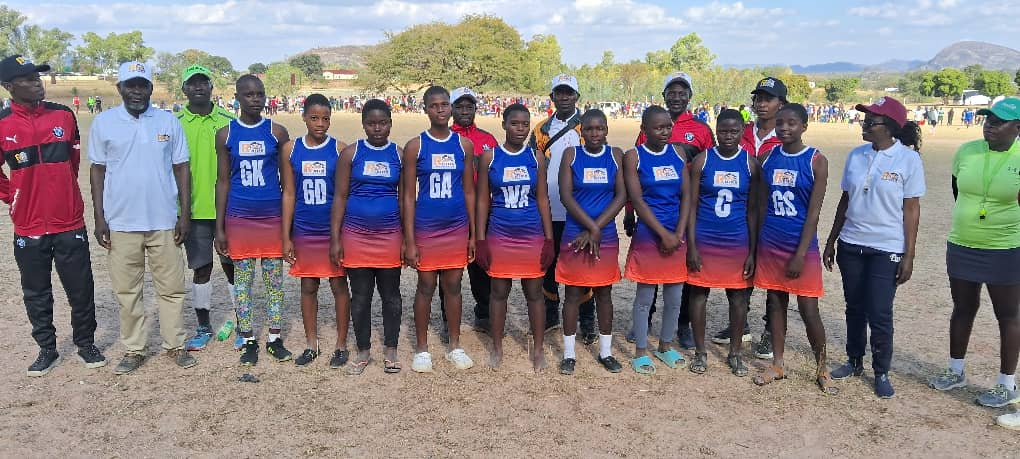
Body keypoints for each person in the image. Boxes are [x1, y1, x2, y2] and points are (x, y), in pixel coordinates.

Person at [1, 55, 105, 376]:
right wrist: (13, 197)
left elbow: (73, 162)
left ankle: (86, 343)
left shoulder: (63, 115)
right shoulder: (2, 123)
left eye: (38, 77)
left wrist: (63, 193)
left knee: (81, 288)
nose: (37, 83)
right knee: (36, 292)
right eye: (28, 79)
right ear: (8, 86)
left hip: (68, 221)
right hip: (28, 225)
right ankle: (47, 349)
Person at [89, 61, 195, 374]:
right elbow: (97, 170)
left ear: (150, 88)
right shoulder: (104, 123)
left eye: (142, 85)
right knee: (127, 291)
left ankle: (175, 344)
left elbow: (181, 167)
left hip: (164, 219)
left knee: (172, 288)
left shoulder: (168, 121)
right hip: (121, 222)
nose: (137, 91)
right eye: (130, 85)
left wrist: (184, 215)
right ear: (120, 88)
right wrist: (99, 217)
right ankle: (134, 349)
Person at [822, 96, 924, 399]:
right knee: (854, 307)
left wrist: (909, 254)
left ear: (889, 127)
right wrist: (832, 240)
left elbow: (911, 209)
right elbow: (846, 200)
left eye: (870, 121)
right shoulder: (856, 155)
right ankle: (854, 360)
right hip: (852, 244)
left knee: (879, 312)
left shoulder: (908, 160)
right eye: (864, 120)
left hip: (886, 248)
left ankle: (881, 371)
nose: (863, 125)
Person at [929, 97, 1020, 408]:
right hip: (963, 243)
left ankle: (1006, 384)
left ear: (1017, 127)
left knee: (1008, 315)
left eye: (999, 121)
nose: (989, 126)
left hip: (1005, 248)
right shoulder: (966, 151)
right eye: (987, 119)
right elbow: (959, 191)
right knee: (962, 307)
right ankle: (955, 370)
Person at [750, 103, 837, 395]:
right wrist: (756, 246)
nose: (785, 128)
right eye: (780, 123)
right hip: (771, 241)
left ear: (804, 126)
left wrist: (800, 254)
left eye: (792, 123)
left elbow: (814, 212)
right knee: (775, 303)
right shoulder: (768, 157)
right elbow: (762, 204)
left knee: (808, 308)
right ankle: (777, 364)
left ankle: (822, 368)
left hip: (800, 245)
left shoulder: (816, 161)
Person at [625, 71, 714, 349]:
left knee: (678, 290)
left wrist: (680, 231)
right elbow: (635, 189)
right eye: (671, 92)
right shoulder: (638, 149)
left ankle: (679, 329)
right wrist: (630, 213)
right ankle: (643, 334)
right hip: (651, 228)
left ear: (689, 96)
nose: (677, 97)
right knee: (647, 289)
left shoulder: (700, 130)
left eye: (682, 92)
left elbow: (704, 172)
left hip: (681, 224)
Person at [214, 74, 293, 367]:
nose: (255, 99)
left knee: (274, 283)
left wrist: (288, 226)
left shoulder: (277, 132)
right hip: (240, 219)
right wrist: (220, 227)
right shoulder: (225, 135)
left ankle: (274, 338)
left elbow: (287, 183)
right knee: (243, 283)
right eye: (248, 94)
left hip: (271, 218)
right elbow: (223, 181)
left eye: (260, 93)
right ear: (237, 98)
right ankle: (247, 339)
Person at [401, 86, 476, 372]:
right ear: (425, 110)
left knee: (454, 286)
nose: (441, 109)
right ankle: (422, 348)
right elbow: (408, 196)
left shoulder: (463, 145)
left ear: (451, 107)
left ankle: (455, 345)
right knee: (426, 286)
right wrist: (409, 239)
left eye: (445, 104)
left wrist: (472, 233)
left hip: (456, 227)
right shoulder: (415, 146)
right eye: (434, 105)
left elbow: (469, 191)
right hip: (426, 228)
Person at [713, 77, 789, 358]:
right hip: (739, 213)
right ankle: (741, 324)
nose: (761, 104)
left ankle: (771, 331)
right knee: (740, 269)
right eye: (758, 98)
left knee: (773, 276)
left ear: (781, 103)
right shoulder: (740, 132)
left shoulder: (786, 135)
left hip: (772, 216)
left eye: (768, 99)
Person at [477, 103, 553, 372]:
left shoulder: (536, 157)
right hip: (500, 233)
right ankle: (497, 348)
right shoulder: (490, 157)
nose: (520, 129)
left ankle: (538, 349)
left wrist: (548, 238)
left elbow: (542, 199)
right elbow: (483, 200)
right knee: (499, 292)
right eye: (514, 123)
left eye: (525, 124)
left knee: (534, 292)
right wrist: (480, 239)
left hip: (531, 234)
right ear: (504, 125)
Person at [330, 99, 404, 375]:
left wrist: (407, 238)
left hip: (389, 236)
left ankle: (391, 349)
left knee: (391, 295)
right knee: (360, 296)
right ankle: (363, 350)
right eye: (371, 123)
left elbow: (406, 199)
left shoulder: (398, 155)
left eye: (382, 123)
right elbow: (340, 196)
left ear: (390, 124)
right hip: (356, 236)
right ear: (363, 125)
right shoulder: (351, 154)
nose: (377, 128)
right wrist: (335, 238)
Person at [686, 109, 761, 377]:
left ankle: (735, 353)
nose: (728, 136)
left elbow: (753, 211)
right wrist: (691, 245)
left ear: (742, 132)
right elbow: (691, 206)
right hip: (705, 238)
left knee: (738, 297)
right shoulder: (703, 160)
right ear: (716, 131)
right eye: (723, 131)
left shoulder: (750, 164)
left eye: (734, 131)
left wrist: (752, 251)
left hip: (736, 240)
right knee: (698, 294)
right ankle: (700, 352)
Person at [280, 94, 350, 368]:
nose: (320, 124)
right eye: (314, 118)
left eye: (325, 119)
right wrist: (286, 236)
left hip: (332, 230)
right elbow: (288, 193)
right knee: (308, 285)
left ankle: (341, 345)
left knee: (338, 285)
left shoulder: (340, 149)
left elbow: (343, 194)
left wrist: (340, 234)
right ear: (304, 117)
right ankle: (311, 344)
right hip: (305, 229)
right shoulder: (291, 149)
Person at [555, 109, 626, 375]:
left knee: (604, 293)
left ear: (606, 129)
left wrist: (597, 229)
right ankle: (568, 354)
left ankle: (606, 352)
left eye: (600, 128)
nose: (594, 133)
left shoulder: (615, 155)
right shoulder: (571, 155)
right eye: (589, 129)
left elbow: (621, 196)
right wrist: (590, 228)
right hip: (576, 234)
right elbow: (566, 195)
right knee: (573, 294)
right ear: (581, 131)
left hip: (605, 235)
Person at [622, 106, 691, 375]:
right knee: (645, 297)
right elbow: (637, 200)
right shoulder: (634, 156)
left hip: (676, 234)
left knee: (674, 297)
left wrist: (678, 234)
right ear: (644, 129)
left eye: (667, 126)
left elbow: (686, 196)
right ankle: (640, 351)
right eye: (658, 127)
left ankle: (665, 346)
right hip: (650, 236)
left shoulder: (678, 153)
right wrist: (663, 234)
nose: (664, 132)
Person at [176, 65, 239, 352]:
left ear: (212, 87)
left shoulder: (229, 121)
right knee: (201, 270)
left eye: (203, 82)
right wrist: (180, 212)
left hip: (228, 210)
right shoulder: (175, 123)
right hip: (193, 212)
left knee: (234, 269)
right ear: (184, 89)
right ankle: (203, 327)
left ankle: (242, 323)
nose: (198, 87)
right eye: (192, 83)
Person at [529, 73, 596, 342]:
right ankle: (551, 314)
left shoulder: (588, 126)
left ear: (577, 96)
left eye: (569, 92)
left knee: (582, 265)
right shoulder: (541, 130)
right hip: (548, 208)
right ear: (552, 97)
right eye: (560, 92)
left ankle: (587, 318)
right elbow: (532, 164)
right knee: (548, 262)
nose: (565, 97)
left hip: (580, 211)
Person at [446, 86, 499, 333]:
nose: (465, 111)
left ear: (476, 109)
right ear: (451, 109)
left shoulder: (488, 140)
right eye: (460, 106)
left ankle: (484, 313)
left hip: (484, 212)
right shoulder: (444, 138)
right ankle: (448, 318)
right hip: (454, 212)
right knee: (450, 267)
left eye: (470, 106)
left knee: (481, 265)